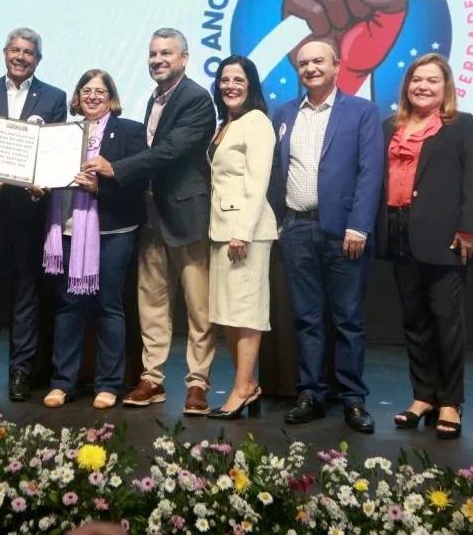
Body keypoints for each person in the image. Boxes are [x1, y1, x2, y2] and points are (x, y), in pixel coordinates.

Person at [85, 28, 217, 415]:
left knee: (198, 304)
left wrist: (116, 168)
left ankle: (198, 383)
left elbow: (170, 151)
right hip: (152, 214)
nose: (158, 60)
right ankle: (152, 378)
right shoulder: (154, 99)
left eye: (166, 53)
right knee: (152, 301)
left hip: (187, 214)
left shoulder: (196, 98)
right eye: (153, 54)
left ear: (184, 59)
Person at [269, 40, 384, 433]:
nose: (310, 68)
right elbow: (276, 172)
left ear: (337, 65)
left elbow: (370, 172)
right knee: (306, 318)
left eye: (318, 61)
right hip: (297, 229)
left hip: (344, 231)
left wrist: (359, 225)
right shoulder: (284, 113)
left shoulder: (362, 111)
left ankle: (353, 399)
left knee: (348, 319)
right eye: (303, 63)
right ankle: (311, 393)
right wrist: (280, 222)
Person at [376, 53, 473, 439]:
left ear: (446, 87)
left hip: (445, 238)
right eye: (417, 80)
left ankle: (450, 401)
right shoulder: (390, 126)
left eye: (432, 81)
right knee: (415, 321)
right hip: (398, 232)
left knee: (446, 322)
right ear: (407, 85)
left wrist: (470, 229)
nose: (423, 86)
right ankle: (423, 396)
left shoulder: (461, 125)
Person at [0, 28, 67, 401]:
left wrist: (43, 180)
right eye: (15, 50)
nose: (21, 56)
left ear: (38, 59)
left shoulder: (53, 97)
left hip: (30, 211)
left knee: (26, 294)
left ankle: (21, 370)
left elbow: (53, 150)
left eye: (28, 52)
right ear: (5, 52)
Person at [41, 70, 147, 410]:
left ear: (111, 98)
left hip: (113, 232)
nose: (92, 96)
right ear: (77, 97)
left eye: (100, 91)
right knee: (69, 305)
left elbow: (138, 183)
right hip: (67, 231)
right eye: (86, 90)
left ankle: (109, 384)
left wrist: (101, 188)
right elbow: (48, 176)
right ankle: (62, 382)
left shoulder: (129, 131)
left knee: (108, 305)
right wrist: (37, 184)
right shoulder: (61, 134)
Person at [205, 56, 277, 420]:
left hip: (244, 233)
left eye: (238, 79)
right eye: (224, 79)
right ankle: (248, 385)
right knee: (228, 313)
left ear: (251, 85)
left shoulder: (257, 122)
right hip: (221, 229)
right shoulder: (226, 124)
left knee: (246, 312)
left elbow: (257, 183)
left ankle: (243, 388)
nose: (230, 85)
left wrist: (242, 233)